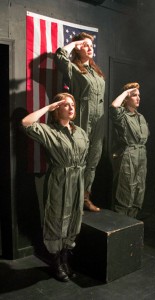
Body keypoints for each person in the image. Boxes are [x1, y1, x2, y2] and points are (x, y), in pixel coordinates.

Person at [21, 93, 89, 282]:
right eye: (65, 105)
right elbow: (26, 123)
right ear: (57, 109)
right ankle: (56, 262)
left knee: (75, 217)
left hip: (77, 180)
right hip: (59, 180)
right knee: (56, 219)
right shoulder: (49, 131)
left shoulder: (81, 132)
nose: (70, 107)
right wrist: (48, 108)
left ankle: (66, 259)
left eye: (72, 104)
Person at [55, 32, 105, 212]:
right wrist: (75, 43)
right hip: (83, 116)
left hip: (98, 121)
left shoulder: (96, 71)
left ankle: (85, 197)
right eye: (85, 45)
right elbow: (59, 56)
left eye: (91, 45)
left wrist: (83, 43)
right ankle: (73, 201)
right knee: (78, 159)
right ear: (77, 48)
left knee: (93, 160)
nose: (90, 47)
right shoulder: (74, 69)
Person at [109, 82, 149, 219]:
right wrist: (126, 92)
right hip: (128, 155)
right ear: (127, 98)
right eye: (134, 95)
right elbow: (114, 107)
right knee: (125, 192)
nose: (138, 98)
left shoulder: (141, 117)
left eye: (139, 95)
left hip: (141, 155)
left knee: (139, 192)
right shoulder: (123, 116)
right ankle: (120, 227)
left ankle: (131, 225)